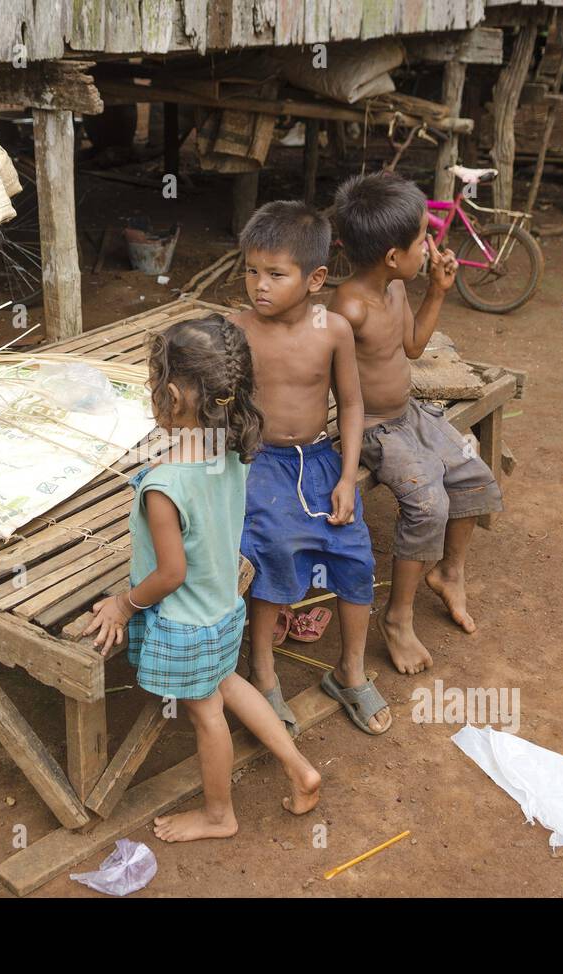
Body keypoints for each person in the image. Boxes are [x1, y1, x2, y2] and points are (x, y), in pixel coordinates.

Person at [85, 315, 321, 842]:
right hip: (221, 607)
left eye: (151, 386)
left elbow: (170, 574)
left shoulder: (165, 484)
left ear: (172, 395)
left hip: (186, 620)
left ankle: (220, 815)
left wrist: (124, 605)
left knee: (207, 712)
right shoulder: (231, 448)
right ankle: (299, 767)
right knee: (226, 682)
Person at [329, 171, 503, 675]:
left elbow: (412, 347)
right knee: (429, 503)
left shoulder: (398, 288)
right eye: (421, 240)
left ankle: (449, 572)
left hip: (411, 414)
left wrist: (438, 291)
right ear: (391, 256)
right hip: (375, 430)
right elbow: (332, 383)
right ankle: (398, 618)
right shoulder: (348, 307)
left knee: (473, 473)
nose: (430, 247)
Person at [230, 201, 391, 737]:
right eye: (251, 270)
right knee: (272, 549)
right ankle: (265, 676)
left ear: (316, 278)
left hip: (322, 459)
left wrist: (347, 477)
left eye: (276, 274)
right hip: (260, 462)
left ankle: (349, 672)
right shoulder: (236, 330)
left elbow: (350, 404)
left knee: (353, 553)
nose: (260, 285)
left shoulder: (334, 331)